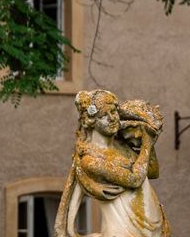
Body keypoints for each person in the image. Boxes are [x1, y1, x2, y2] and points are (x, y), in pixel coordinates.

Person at [55, 90, 171, 237]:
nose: (112, 118)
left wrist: (147, 138)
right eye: (104, 116)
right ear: (91, 122)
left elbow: (153, 171)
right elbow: (134, 179)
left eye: (114, 112)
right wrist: (146, 144)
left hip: (153, 228)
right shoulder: (91, 160)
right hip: (123, 231)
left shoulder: (123, 146)